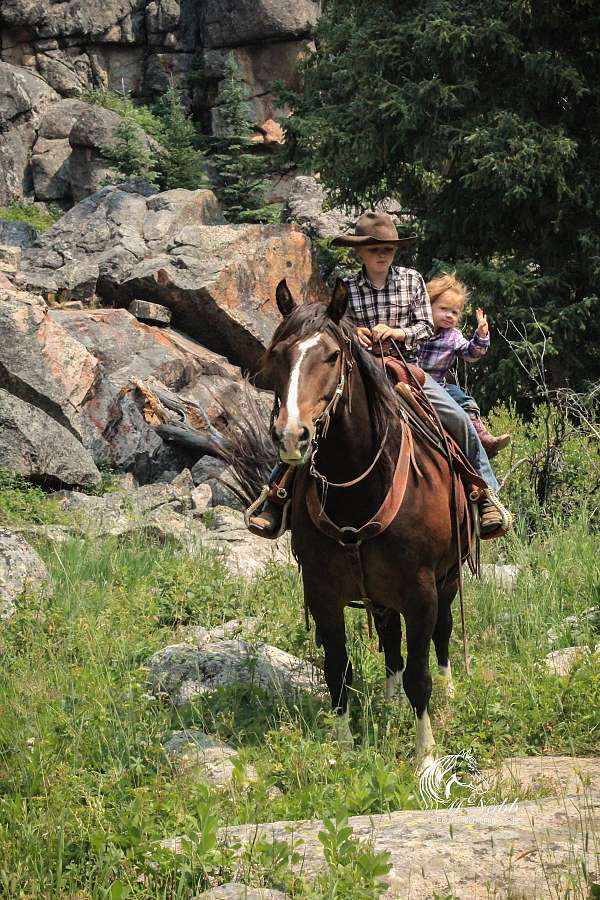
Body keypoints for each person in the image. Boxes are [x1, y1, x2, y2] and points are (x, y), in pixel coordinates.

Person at [249, 212, 511, 539]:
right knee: (313, 421)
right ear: (361, 252)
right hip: (361, 368)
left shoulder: (411, 280)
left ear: (395, 251)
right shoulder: (347, 287)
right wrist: (355, 332)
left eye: (387, 248)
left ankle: (483, 492)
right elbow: (337, 327)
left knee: (455, 416)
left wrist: (398, 333)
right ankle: (277, 495)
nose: (381, 254)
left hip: (405, 368)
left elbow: (425, 327)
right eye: (373, 249)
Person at [418, 272, 510, 458]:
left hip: (438, 386)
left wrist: (481, 336)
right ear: (428, 305)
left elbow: (470, 353)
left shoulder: (453, 336)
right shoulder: (415, 328)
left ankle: (483, 438)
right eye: (443, 309)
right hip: (410, 380)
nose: (449, 316)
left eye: (454, 312)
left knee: (464, 400)